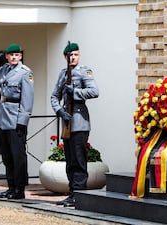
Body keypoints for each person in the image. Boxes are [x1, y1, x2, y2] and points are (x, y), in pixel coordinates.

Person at [50, 42, 99, 207]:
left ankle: (80, 194)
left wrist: (75, 92)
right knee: (70, 160)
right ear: (65, 57)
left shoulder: (84, 71)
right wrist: (59, 111)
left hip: (79, 122)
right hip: (67, 122)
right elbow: (54, 96)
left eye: (76, 55)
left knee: (79, 160)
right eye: (70, 55)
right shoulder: (63, 74)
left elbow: (94, 91)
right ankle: (72, 193)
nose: (73, 58)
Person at [0, 43, 34, 199]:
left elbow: (28, 98)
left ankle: (19, 189)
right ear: (6, 56)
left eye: (17, 55)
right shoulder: (4, 69)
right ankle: (11, 186)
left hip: (16, 117)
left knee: (18, 156)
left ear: (20, 56)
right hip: (3, 117)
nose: (14, 57)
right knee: (6, 156)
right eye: (11, 55)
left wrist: (22, 121)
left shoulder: (25, 73)